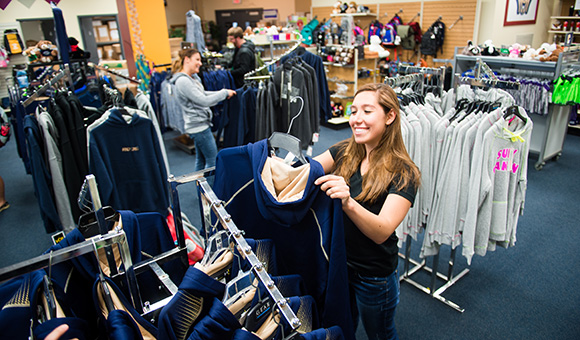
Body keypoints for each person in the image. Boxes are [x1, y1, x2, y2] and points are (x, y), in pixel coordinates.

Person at [314, 83, 421, 340]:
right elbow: (307, 172)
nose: (356, 119)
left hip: (373, 275)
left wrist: (348, 202)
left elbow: (382, 231)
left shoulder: (404, 172)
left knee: (380, 334)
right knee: (342, 325)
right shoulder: (344, 151)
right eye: (353, 111)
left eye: (367, 111)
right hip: (339, 263)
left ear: (390, 116)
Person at [171, 48, 236, 171]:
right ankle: (210, 190)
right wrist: (223, 93)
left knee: (201, 160)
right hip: (199, 127)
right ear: (187, 60)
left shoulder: (192, 79)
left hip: (198, 125)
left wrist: (224, 93)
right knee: (212, 161)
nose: (200, 63)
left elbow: (203, 94)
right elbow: (203, 100)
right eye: (197, 59)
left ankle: (200, 189)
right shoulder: (183, 81)